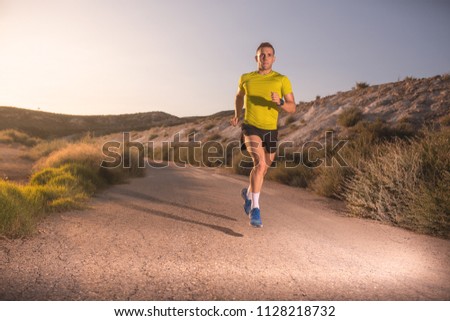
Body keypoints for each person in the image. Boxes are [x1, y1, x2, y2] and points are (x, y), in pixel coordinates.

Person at [230, 42, 296, 228]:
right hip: (251, 126)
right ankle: (255, 209)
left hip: (271, 129)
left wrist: (280, 102)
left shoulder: (282, 79)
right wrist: (237, 115)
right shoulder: (246, 78)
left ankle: (248, 194)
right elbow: (238, 96)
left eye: (269, 54)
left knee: (264, 169)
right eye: (262, 55)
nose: (265, 57)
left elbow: (292, 107)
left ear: (274, 58)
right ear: (256, 58)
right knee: (259, 164)